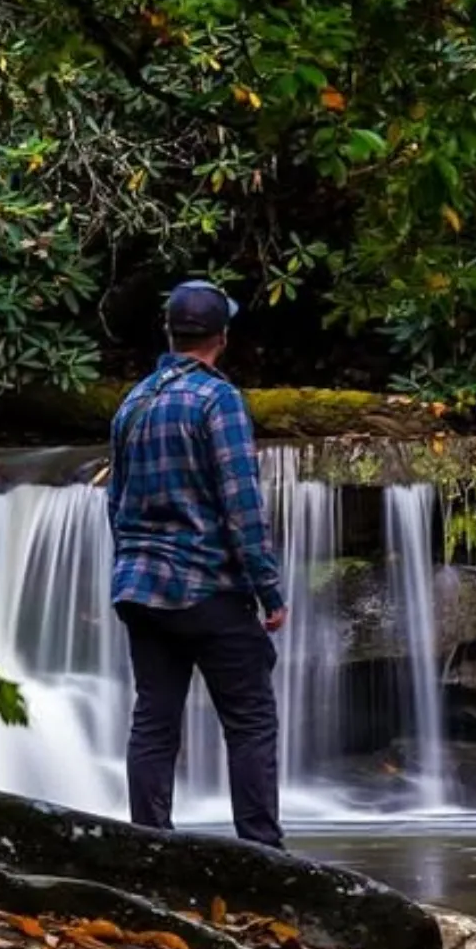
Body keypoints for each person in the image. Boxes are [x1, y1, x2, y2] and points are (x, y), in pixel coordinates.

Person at [106, 278, 288, 847]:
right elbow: (241, 504)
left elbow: (115, 502)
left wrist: (131, 564)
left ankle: (150, 847)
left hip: (140, 587)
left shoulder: (133, 403)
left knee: (154, 723)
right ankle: (261, 851)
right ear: (222, 337)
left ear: (170, 332)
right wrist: (269, 591)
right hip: (206, 587)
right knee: (252, 720)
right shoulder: (218, 400)